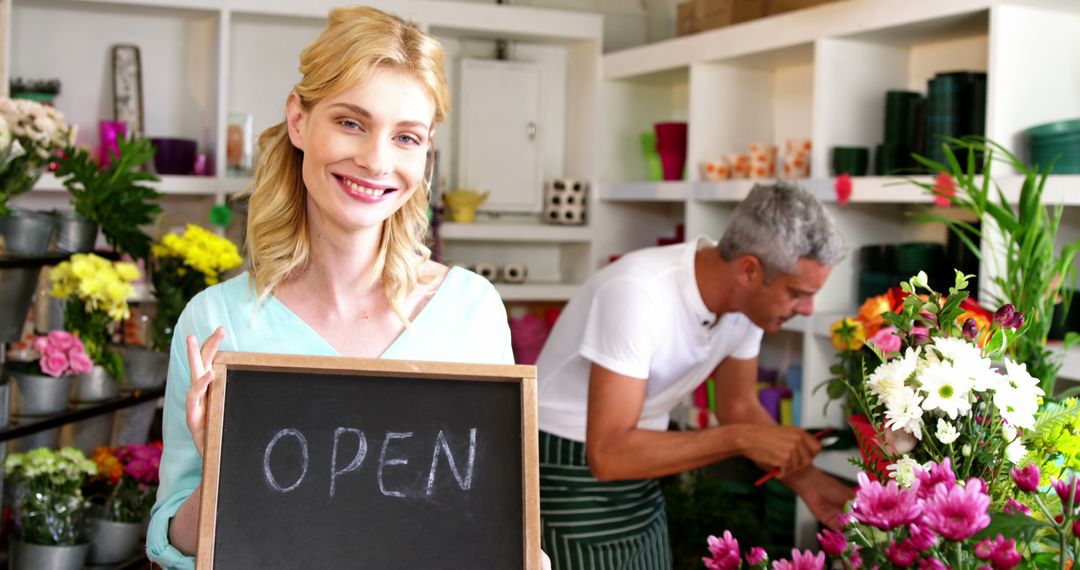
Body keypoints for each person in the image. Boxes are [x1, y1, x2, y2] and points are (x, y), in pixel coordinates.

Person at [146, 7, 547, 568]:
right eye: (351, 122)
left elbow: (496, 522)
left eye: (405, 137)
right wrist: (223, 468)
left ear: (425, 150)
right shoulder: (217, 322)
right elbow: (172, 545)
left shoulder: (472, 310)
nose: (376, 160)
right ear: (298, 120)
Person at [535, 182, 856, 570]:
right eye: (797, 293)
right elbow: (607, 456)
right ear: (750, 270)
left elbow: (738, 406)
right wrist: (740, 440)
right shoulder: (639, 293)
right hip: (564, 467)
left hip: (640, 462)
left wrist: (814, 486)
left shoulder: (749, 306)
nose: (807, 309)